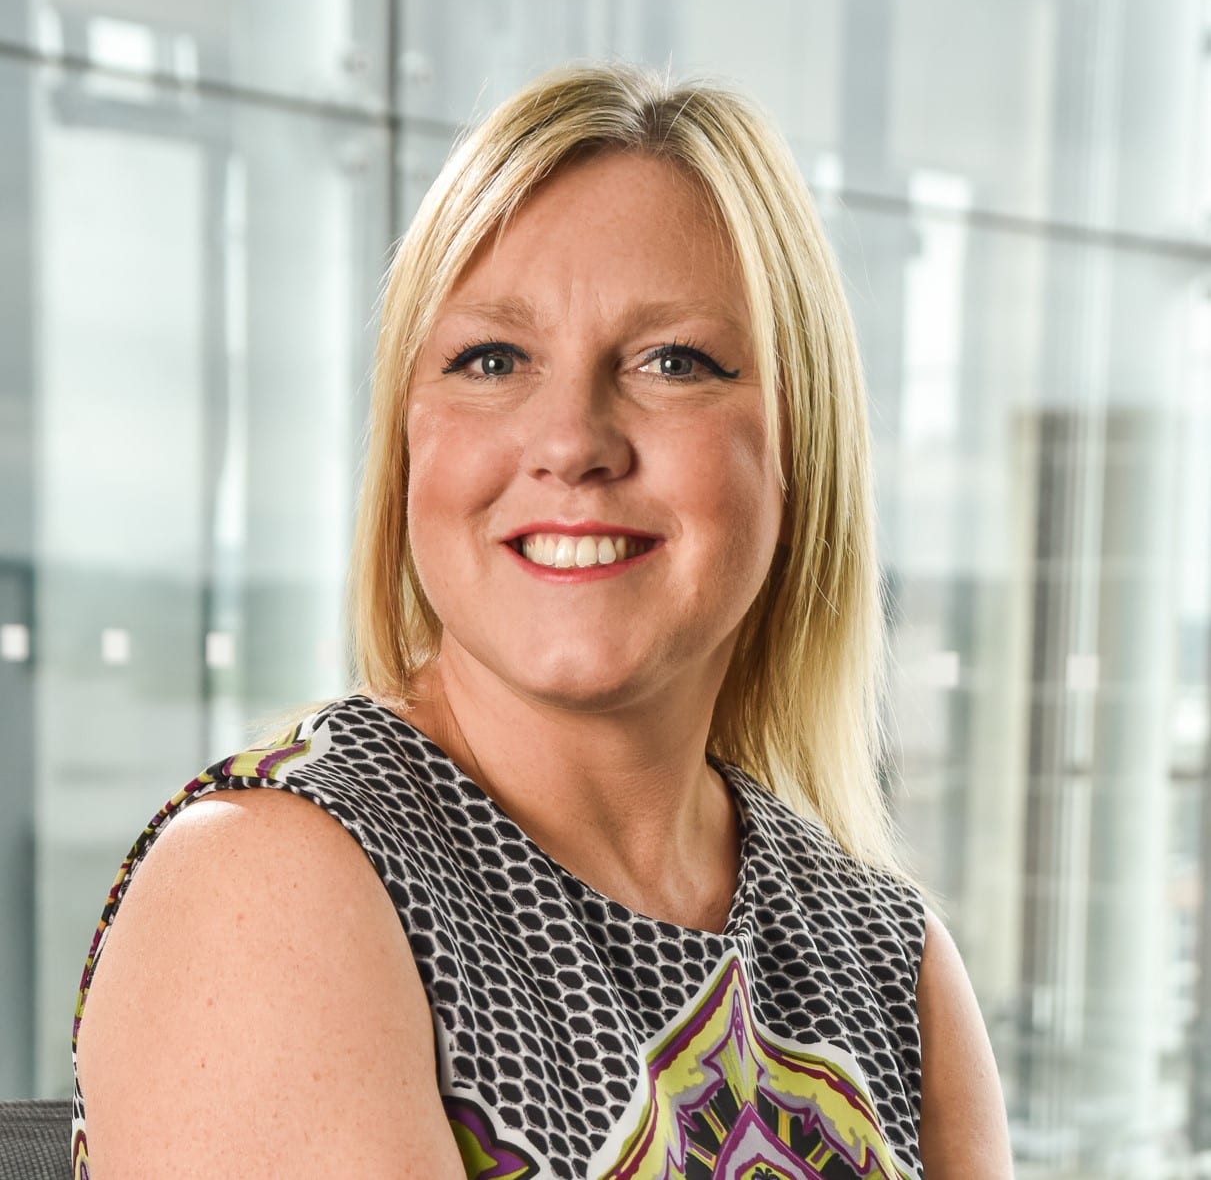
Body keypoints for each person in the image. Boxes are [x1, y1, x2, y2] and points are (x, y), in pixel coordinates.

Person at [72, 63, 1013, 1178]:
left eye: (672, 361)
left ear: (798, 448)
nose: (571, 439)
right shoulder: (271, 887)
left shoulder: (888, 960)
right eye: (491, 359)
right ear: (410, 441)